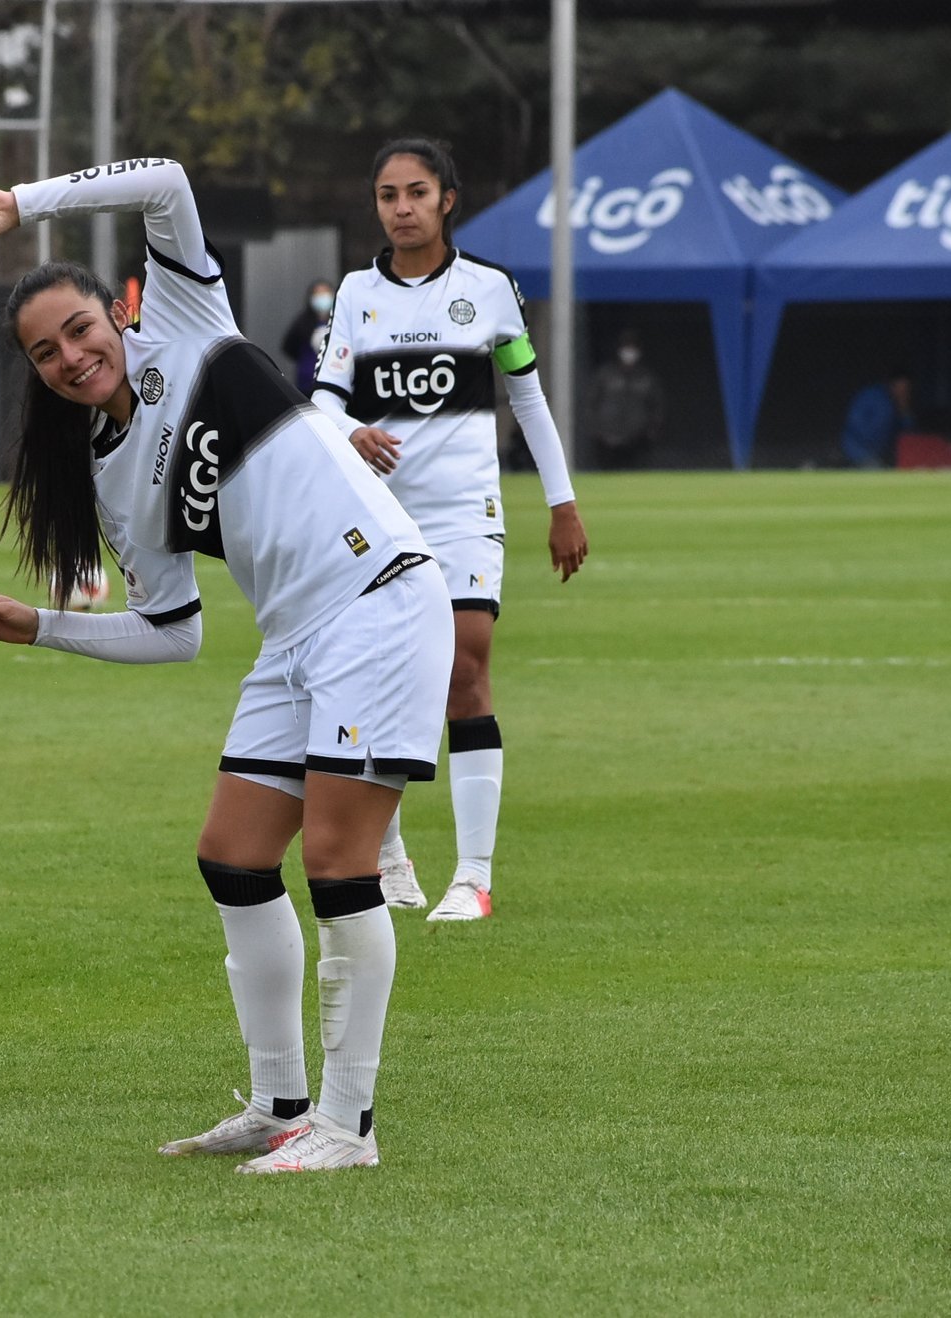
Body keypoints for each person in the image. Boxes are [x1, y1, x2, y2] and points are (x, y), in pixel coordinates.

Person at [0, 157, 452, 1174]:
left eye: (79, 328)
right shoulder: (111, 480)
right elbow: (173, 629)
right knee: (232, 857)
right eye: (44, 352)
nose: (71, 355)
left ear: (115, 317)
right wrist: (38, 625)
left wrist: (18, 207)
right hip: (296, 638)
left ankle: (347, 1124)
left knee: (337, 865)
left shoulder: (188, 321)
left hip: (377, 597)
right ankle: (279, 1101)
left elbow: (161, 180)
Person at [312, 137, 589, 923]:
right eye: (388, 195)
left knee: (466, 670)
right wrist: (354, 430)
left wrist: (561, 503)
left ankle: (473, 877)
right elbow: (325, 399)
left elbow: (528, 399)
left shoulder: (491, 292)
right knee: (377, 678)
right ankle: (391, 858)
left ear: (447, 200)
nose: (402, 207)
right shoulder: (356, 296)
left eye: (416, 192)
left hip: (467, 511)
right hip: (378, 518)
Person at [585, 329, 665, 470]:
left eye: (632, 348)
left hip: (637, 439)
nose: (629, 353)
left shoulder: (645, 378)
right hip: (607, 439)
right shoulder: (606, 375)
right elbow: (591, 403)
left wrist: (651, 430)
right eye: (626, 348)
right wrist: (596, 429)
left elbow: (657, 406)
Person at [839, 369, 915, 469]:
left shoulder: (900, 407)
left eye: (906, 389)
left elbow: (908, 437)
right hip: (858, 450)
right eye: (900, 387)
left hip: (881, 455)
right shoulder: (873, 396)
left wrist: (904, 413)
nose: (902, 392)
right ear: (892, 385)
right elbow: (854, 423)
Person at [278, 279, 334, 395]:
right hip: (307, 383)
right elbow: (288, 346)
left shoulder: (338, 321)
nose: (322, 297)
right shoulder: (302, 322)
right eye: (318, 294)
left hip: (333, 381)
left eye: (325, 293)